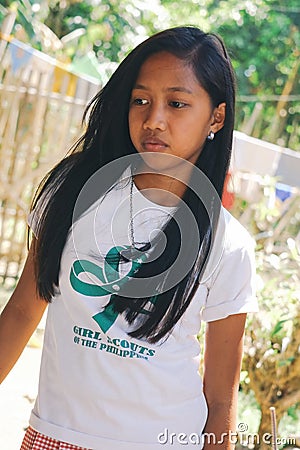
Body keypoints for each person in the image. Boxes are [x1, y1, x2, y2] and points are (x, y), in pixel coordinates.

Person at [0, 26, 257, 449]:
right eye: (141, 100)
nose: (154, 119)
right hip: (54, 435)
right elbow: (21, 313)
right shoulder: (73, 192)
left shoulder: (228, 246)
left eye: (177, 103)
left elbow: (219, 397)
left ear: (216, 117)